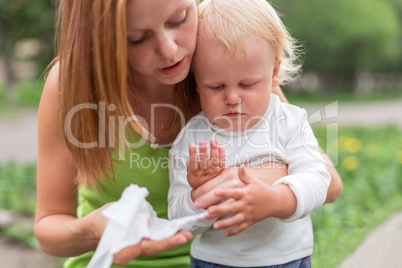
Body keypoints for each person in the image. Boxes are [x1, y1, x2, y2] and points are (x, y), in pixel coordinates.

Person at [34, 0, 342, 267]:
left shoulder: (226, 59)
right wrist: (98, 228)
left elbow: (328, 182)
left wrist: (238, 183)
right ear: (102, 40)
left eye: (179, 19)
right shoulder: (72, 84)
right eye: (138, 38)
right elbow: (49, 228)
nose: (170, 51)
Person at [168, 0, 333, 267]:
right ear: (196, 84)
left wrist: (277, 200)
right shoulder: (192, 139)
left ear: (274, 73)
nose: (232, 97)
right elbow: (178, 217)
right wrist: (199, 194)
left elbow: (317, 179)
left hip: (285, 258)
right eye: (216, 86)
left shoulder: (289, 121)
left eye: (247, 84)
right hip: (215, 260)